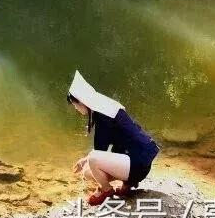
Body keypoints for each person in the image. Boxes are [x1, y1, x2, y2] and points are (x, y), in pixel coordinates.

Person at [67, 70, 161, 206]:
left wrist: (86, 159)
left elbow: (99, 152)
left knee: (92, 161)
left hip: (136, 165)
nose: (76, 109)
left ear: (82, 102)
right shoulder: (107, 108)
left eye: (75, 105)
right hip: (141, 164)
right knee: (88, 171)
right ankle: (126, 186)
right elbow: (122, 141)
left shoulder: (102, 115)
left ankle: (106, 190)